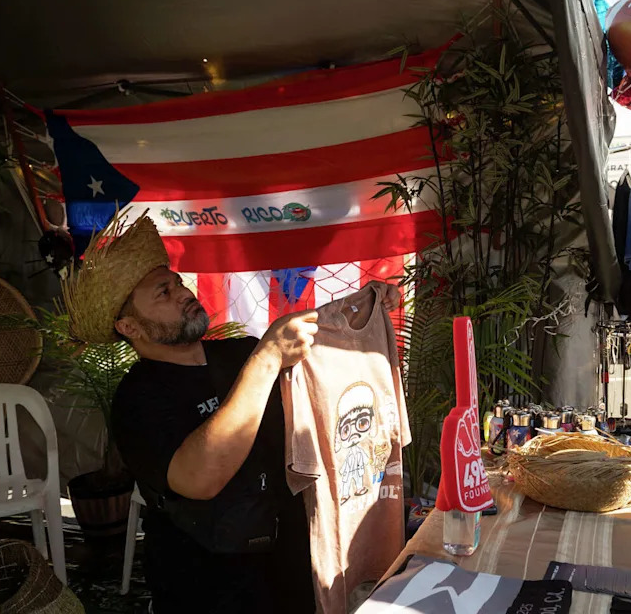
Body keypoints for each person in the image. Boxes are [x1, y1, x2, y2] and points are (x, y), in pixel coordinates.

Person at [61, 212, 401, 613]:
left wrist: (364, 309)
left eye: (177, 283)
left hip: (292, 568)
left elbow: (322, 353)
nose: (184, 292)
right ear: (130, 327)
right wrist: (266, 360)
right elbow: (199, 478)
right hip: (207, 586)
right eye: (164, 294)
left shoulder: (238, 352)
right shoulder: (138, 398)